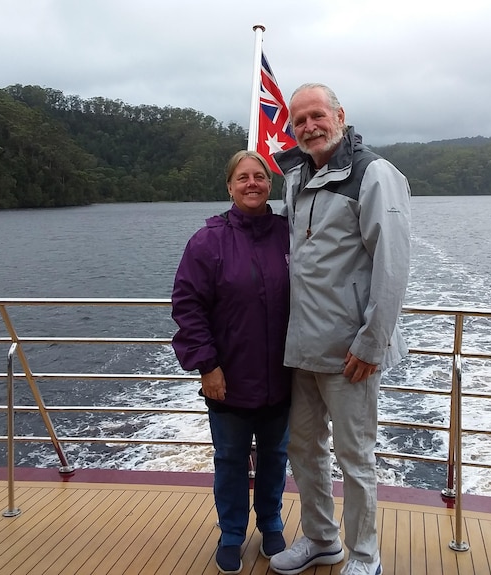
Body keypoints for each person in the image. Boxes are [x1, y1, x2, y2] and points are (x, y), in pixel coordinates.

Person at [268, 84, 411, 575]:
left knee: (355, 457)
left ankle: (366, 555)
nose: (308, 127)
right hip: (301, 346)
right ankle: (321, 538)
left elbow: (392, 268)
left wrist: (372, 343)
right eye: (299, 120)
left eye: (316, 116)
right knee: (305, 450)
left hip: (352, 352)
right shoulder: (295, 176)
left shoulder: (374, 175)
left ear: (339, 116)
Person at [171, 150, 292, 575]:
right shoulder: (208, 241)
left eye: (259, 176)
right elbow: (188, 307)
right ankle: (232, 533)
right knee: (230, 458)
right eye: (243, 178)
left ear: (269, 183)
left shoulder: (288, 234)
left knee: (276, 455)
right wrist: (207, 366)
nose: (252, 184)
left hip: (283, 374)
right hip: (228, 377)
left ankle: (272, 522)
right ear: (229, 186)